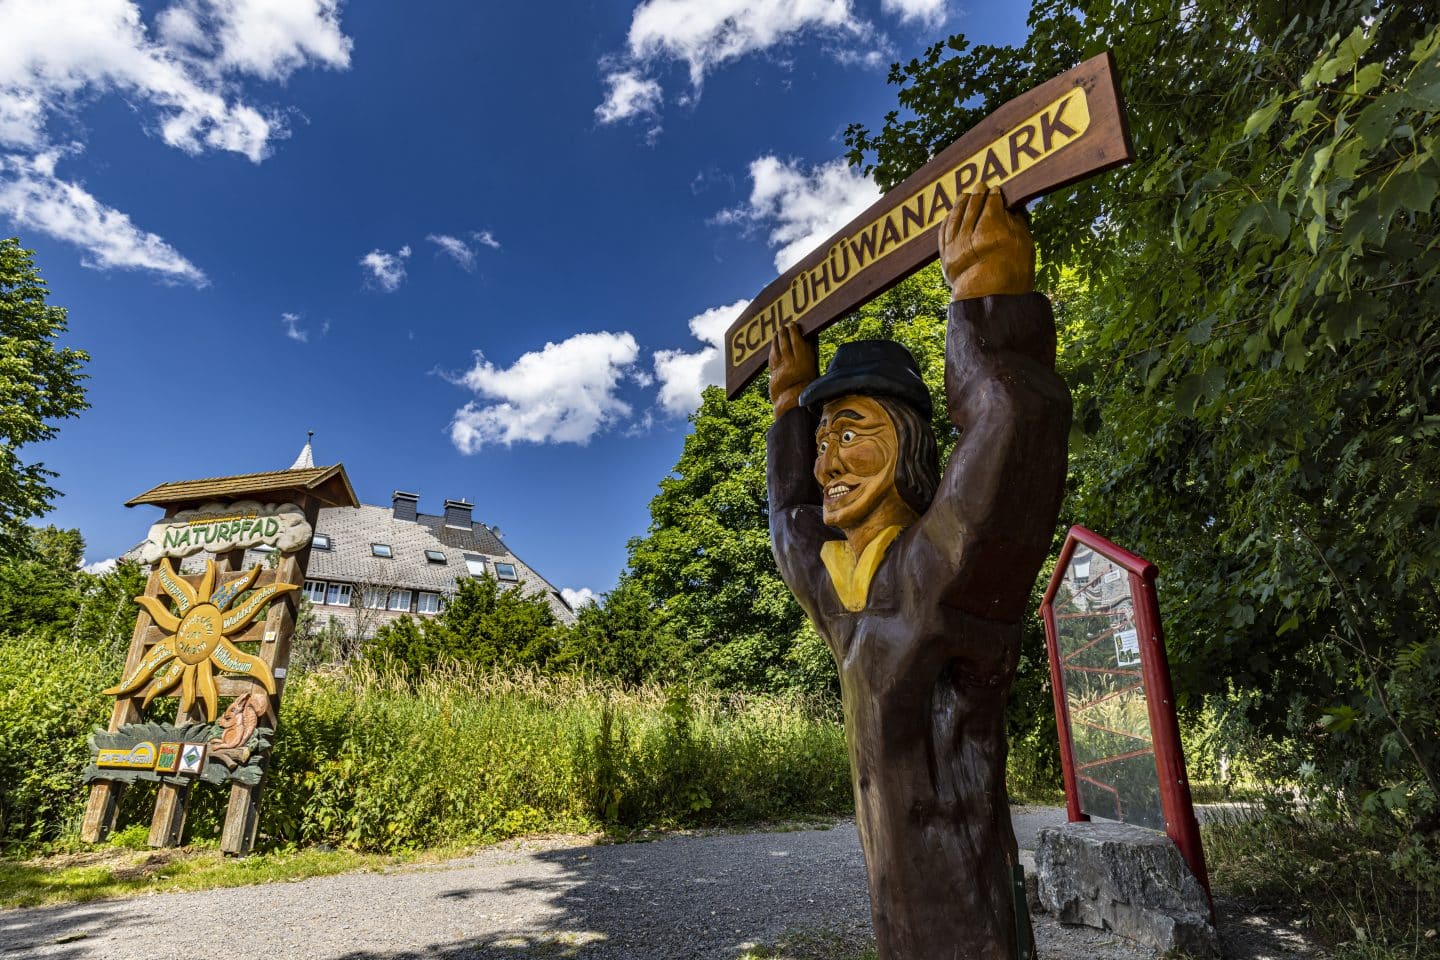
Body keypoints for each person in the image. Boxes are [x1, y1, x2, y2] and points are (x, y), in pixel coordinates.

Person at [766, 189, 1071, 959]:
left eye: (851, 434)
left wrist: (989, 296)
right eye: (821, 443)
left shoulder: (935, 564)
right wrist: (788, 406)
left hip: (971, 924)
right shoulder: (838, 587)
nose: (826, 463)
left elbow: (1009, 423)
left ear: (906, 443)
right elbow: (789, 519)